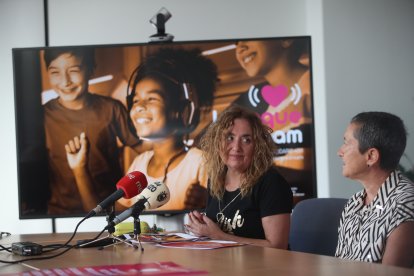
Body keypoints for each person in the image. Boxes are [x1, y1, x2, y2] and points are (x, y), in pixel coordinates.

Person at [117, 47, 218, 211]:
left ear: (179, 111)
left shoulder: (200, 162)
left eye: (151, 98)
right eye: (135, 100)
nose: (140, 107)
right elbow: (117, 216)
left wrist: (208, 204)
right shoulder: (139, 163)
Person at [43, 47, 141, 214]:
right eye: (55, 72)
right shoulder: (42, 116)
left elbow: (142, 148)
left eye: (74, 70)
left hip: (110, 208)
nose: (65, 81)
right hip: (60, 212)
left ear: (91, 69)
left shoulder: (112, 109)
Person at [186, 105, 293, 248]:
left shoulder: (272, 184)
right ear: (217, 142)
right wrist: (202, 228)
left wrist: (219, 236)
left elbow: (277, 246)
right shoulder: (216, 179)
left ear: (258, 147)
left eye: (246, 140)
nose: (236, 147)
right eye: (229, 137)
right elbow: (216, 232)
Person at [233, 38, 314, 201]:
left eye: (247, 38)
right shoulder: (266, 114)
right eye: (236, 43)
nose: (240, 48)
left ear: (286, 40)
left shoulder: (313, 88)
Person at [335, 111, 414, 267]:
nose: (340, 152)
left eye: (346, 143)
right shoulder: (354, 203)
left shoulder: (405, 204)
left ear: (371, 156)